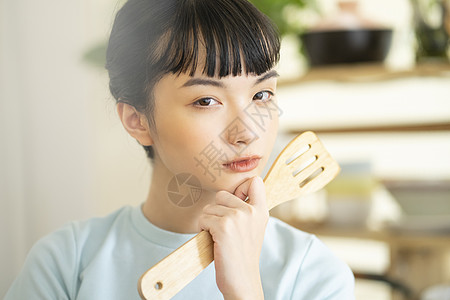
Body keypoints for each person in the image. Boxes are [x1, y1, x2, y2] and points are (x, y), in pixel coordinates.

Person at [5, 0, 355, 299]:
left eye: (262, 94)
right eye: (206, 100)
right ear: (137, 120)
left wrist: (245, 287)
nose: (248, 131)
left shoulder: (313, 273)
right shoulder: (66, 263)